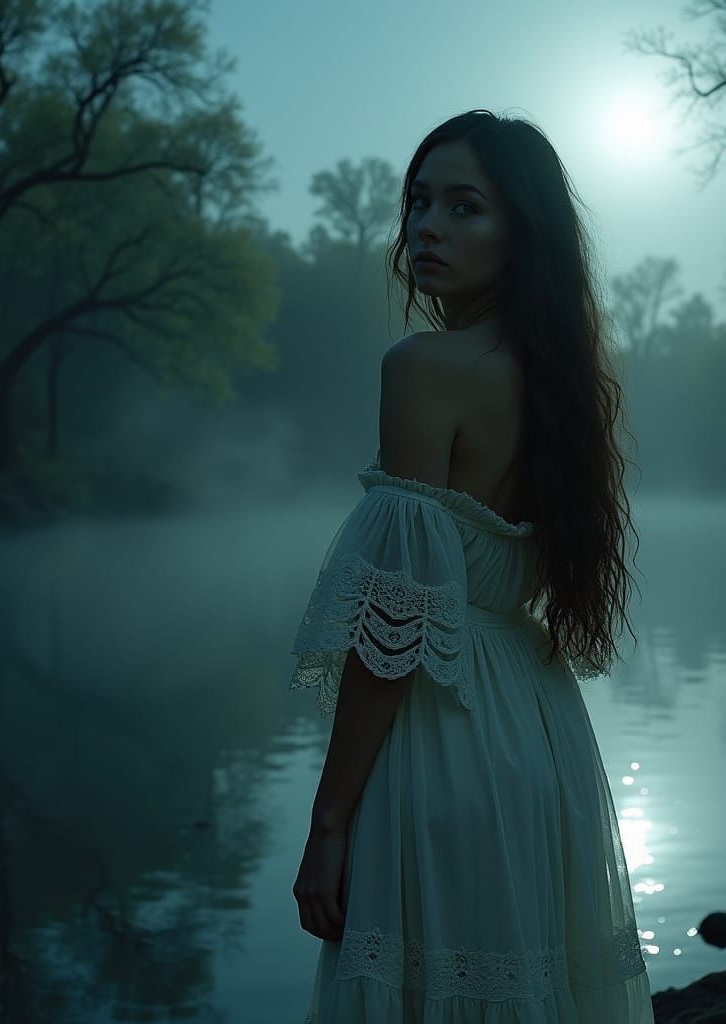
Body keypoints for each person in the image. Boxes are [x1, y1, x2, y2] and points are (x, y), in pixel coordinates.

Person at [290, 109, 654, 1023]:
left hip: (442, 737)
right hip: (540, 735)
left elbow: (397, 623)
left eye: (464, 207)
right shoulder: (564, 380)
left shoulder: (425, 366)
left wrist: (328, 820)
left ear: (520, 231)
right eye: (419, 204)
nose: (428, 227)